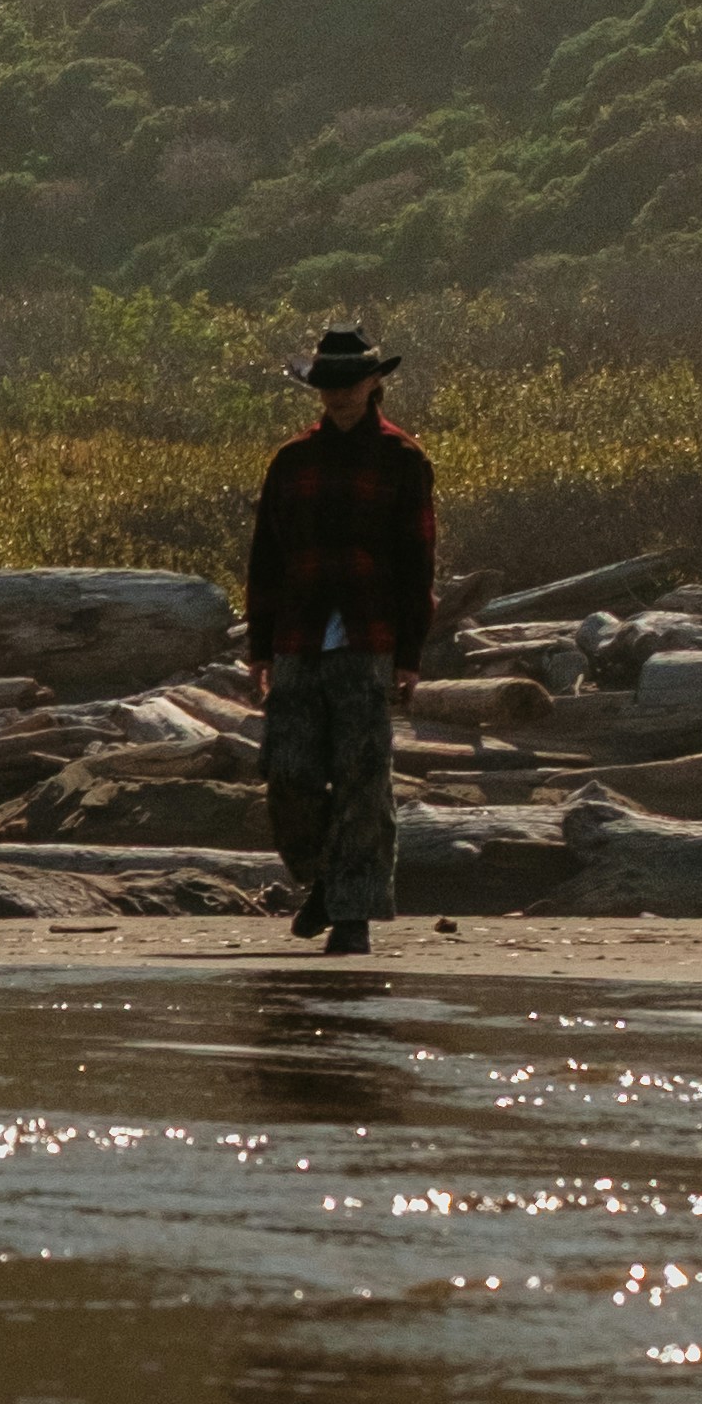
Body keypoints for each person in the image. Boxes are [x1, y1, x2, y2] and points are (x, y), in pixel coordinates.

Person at [242, 320, 436, 954]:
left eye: (348, 384)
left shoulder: (403, 459)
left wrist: (408, 655)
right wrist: (260, 650)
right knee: (288, 775)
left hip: (368, 637)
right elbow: (266, 558)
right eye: (327, 385)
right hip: (297, 636)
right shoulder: (292, 460)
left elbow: (417, 563)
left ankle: (352, 915)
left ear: (374, 383)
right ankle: (324, 880)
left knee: (362, 778)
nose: (337, 395)